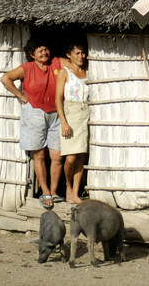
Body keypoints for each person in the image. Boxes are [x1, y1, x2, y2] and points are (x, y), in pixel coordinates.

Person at [0, 38, 68, 209]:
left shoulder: (57, 63)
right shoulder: (27, 68)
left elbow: (75, 62)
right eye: (40, 50)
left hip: (57, 113)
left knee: (57, 156)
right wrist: (21, 96)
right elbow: (6, 79)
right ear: (32, 54)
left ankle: (53, 192)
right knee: (39, 155)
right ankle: (44, 191)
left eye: (46, 49)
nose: (44, 52)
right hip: (35, 112)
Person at [55, 42, 89, 204]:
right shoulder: (64, 72)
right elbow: (58, 99)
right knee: (70, 158)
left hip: (85, 113)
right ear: (69, 55)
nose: (80, 56)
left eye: (82, 53)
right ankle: (68, 186)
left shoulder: (87, 72)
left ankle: (75, 194)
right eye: (77, 53)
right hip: (70, 113)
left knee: (81, 157)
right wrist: (63, 121)